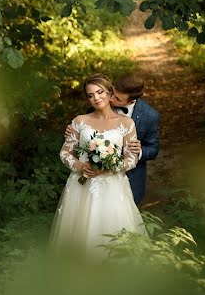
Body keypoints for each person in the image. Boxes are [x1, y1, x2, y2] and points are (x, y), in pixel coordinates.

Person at [50, 74, 146, 256]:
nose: (96, 98)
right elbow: (65, 152)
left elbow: (132, 159)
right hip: (82, 186)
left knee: (114, 233)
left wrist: (110, 167)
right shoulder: (79, 122)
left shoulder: (126, 123)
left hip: (113, 187)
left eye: (100, 92)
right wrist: (79, 166)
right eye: (90, 95)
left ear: (110, 93)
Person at [66, 73, 160, 205]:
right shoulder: (97, 103)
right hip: (89, 178)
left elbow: (154, 149)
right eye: (112, 92)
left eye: (117, 98)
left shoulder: (150, 116)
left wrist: (139, 151)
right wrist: (74, 133)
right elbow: (87, 128)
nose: (110, 98)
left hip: (129, 177)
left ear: (131, 101)